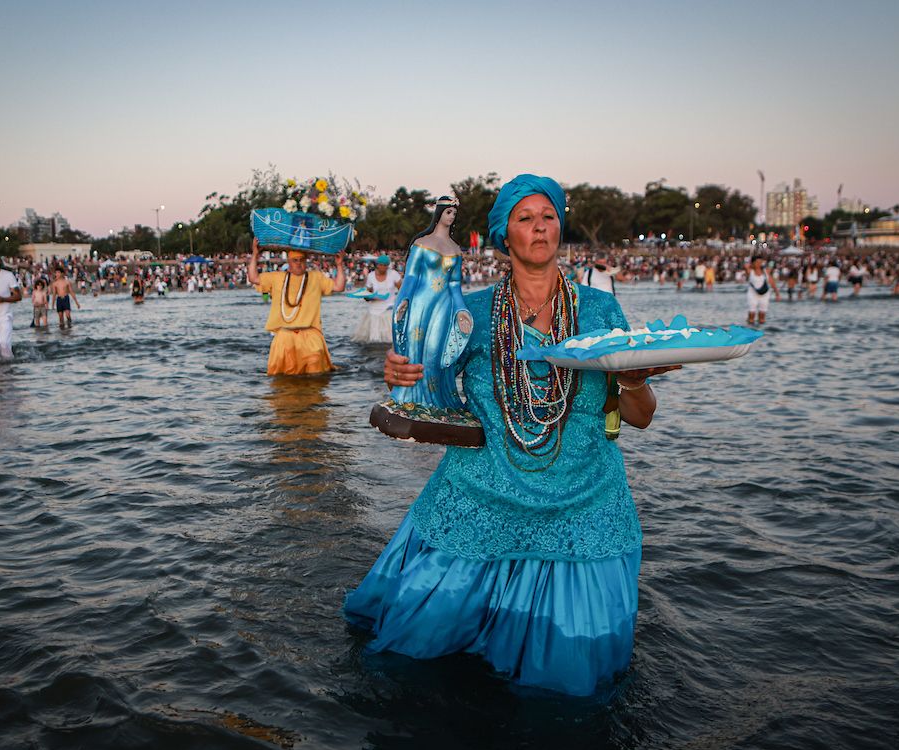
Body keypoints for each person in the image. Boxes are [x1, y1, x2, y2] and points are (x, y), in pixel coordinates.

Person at [346, 175, 679, 696]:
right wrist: (400, 371)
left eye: (548, 215)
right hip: (484, 493)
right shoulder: (471, 314)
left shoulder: (600, 311)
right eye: (525, 218)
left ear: (560, 227)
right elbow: (428, 379)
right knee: (412, 662)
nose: (540, 226)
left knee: (569, 687)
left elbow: (639, 417)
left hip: (583, 501)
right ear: (504, 236)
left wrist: (635, 380)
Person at [247, 238, 346, 375]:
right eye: (295, 260)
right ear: (289, 262)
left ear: (306, 262)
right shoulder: (277, 277)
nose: (299, 264)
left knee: (316, 379)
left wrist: (339, 265)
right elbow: (253, 278)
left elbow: (339, 286)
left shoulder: (316, 277)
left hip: (311, 335)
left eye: (302, 260)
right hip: (284, 337)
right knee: (282, 382)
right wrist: (255, 255)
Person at [352, 254, 401, 344]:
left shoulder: (393, 274)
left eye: (385, 265)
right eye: (381, 265)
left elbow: (402, 291)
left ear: (388, 266)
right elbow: (368, 295)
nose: (383, 267)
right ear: (377, 265)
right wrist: (367, 296)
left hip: (389, 310)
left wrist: (399, 305)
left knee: (390, 340)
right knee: (374, 340)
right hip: (373, 311)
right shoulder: (371, 276)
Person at [745, 256, 779, 325]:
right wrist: (750, 263)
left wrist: (777, 293)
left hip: (764, 294)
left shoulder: (765, 271)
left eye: (760, 262)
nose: (759, 264)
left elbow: (771, 281)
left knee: (762, 314)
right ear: (753, 263)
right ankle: (750, 328)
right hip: (753, 294)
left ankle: (762, 330)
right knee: (752, 313)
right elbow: (746, 265)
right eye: (757, 262)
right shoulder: (750, 271)